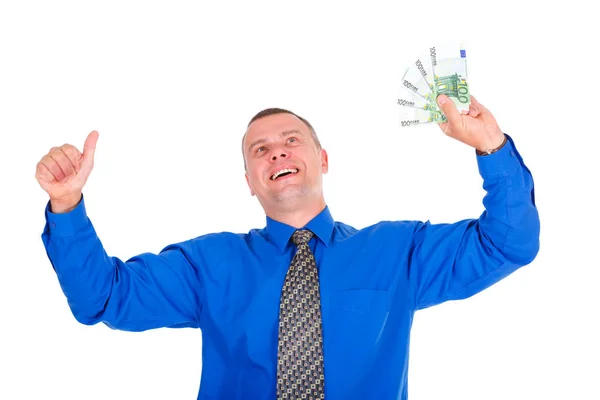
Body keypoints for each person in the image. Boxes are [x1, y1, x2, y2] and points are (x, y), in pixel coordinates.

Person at [37, 94, 540, 399]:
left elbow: (509, 243)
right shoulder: (208, 264)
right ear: (250, 181)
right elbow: (102, 297)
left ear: (322, 159)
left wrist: (491, 145)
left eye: (291, 140)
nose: (276, 149)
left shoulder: (397, 252)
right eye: (260, 149)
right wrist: (68, 205)